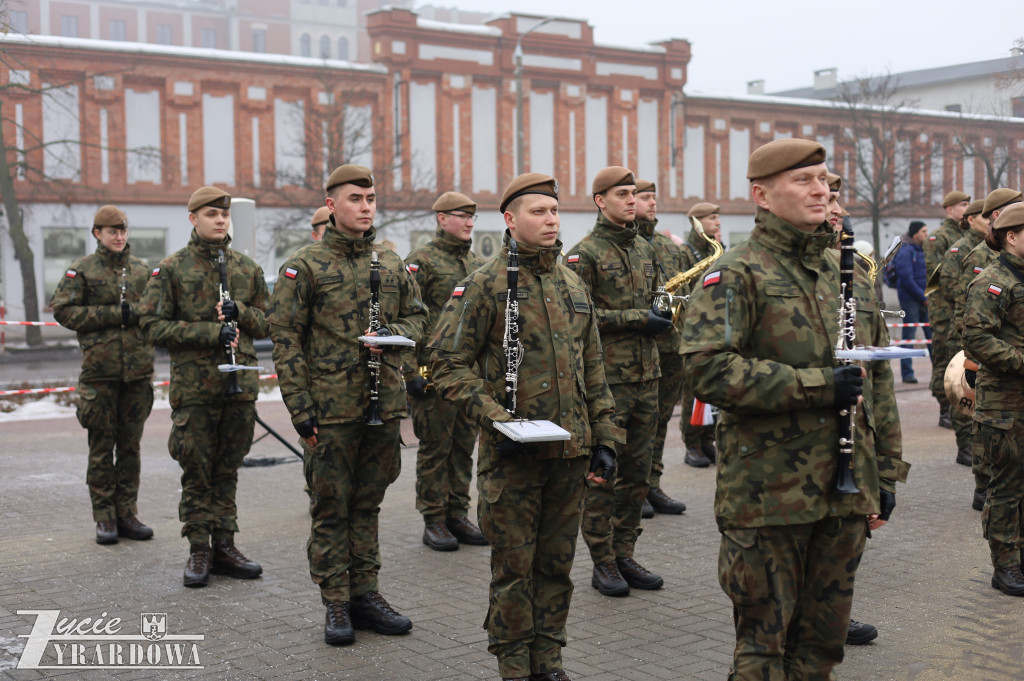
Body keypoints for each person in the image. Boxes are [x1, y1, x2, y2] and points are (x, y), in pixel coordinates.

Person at [681, 138, 908, 679]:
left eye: (825, 179)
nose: (821, 190)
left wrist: (887, 471)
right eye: (803, 180)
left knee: (822, 649)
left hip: (845, 490)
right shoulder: (736, 272)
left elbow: (871, 379)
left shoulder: (843, 269)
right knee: (763, 651)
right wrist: (816, 387)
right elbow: (708, 371)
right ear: (761, 194)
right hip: (769, 495)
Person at [429, 172, 624, 681]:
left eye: (555, 211)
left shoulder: (572, 282)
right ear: (511, 220)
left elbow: (594, 368)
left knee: (556, 570)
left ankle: (550, 663)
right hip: (513, 459)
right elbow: (447, 364)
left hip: (569, 454)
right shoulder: (484, 283)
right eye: (538, 212)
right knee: (514, 572)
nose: (550, 220)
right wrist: (497, 418)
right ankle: (515, 666)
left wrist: (605, 437)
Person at [268, 164, 426, 646]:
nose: (365, 207)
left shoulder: (391, 262)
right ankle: (336, 600)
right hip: (330, 410)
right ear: (332, 205)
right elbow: (286, 339)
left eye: (371, 199)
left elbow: (420, 319)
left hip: (381, 406)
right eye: (355, 199)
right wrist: (300, 409)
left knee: (368, 503)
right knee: (332, 506)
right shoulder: (306, 265)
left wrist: (393, 337)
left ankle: (366, 594)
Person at [139, 186, 269, 587]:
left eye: (224, 215)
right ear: (193, 218)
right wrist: (209, 332)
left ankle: (225, 545)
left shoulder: (246, 267)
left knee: (227, 468)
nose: (220, 221)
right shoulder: (172, 269)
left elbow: (270, 322)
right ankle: (199, 548)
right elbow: (151, 326)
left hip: (238, 383)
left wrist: (241, 313)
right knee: (197, 469)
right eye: (211, 214)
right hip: (196, 388)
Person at [566, 166, 671, 597]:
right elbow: (579, 317)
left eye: (634, 193)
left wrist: (664, 316)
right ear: (599, 201)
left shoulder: (644, 250)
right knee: (603, 474)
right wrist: (636, 319)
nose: (632, 200)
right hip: (608, 383)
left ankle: (625, 551)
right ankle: (602, 559)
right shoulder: (583, 254)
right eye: (622, 194)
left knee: (638, 474)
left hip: (648, 377)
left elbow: (659, 299)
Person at [50, 205, 155, 545]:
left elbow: (155, 310)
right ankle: (104, 517)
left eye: (122, 231)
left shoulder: (142, 271)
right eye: (112, 231)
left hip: (137, 373)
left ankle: (126, 513)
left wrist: (137, 314)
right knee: (100, 448)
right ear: (97, 233)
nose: (119, 237)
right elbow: (63, 310)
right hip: (100, 373)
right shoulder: (82, 270)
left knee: (130, 448)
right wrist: (115, 314)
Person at [404, 191, 486, 551]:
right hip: (432, 370)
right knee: (436, 448)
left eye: (472, 217)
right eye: (461, 216)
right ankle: (433, 518)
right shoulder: (420, 261)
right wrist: (409, 373)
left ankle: (457, 512)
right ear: (441, 219)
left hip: (466, 373)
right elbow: (405, 318)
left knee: (463, 445)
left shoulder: (476, 262)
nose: (469, 222)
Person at [961, 202, 1024, 598]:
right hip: (1004, 404)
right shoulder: (993, 282)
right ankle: (1006, 566)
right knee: (1006, 487)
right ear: (1012, 236)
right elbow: (977, 339)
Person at [635, 178, 687, 517]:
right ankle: (632, 488)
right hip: (638, 349)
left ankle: (652, 483)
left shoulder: (669, 247)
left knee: (661, 420)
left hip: (671, 346)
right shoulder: (630, 245)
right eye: (644, 197)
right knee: (636, 425)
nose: (652, 203)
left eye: (654, 197)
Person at [939, 198, 988, 485]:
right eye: (984, 216)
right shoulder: (962, 249)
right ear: (970, 219)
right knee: (962, 389)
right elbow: (948, 286)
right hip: (960, 328)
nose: (990, 221)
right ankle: (964, 445)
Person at [679, 201, 722, 467]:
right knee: (692, 392)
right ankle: (692, 443)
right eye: (712, 218)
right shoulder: (685, 253)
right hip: (694, 329)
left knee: (715, 388)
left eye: (718, 218)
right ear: (697, 222)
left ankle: (708, 440)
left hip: (717, 328)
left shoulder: (719, 250)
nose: (718, 222)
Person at [926, 191, 971, 428]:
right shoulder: (938, 237)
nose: (966, 208)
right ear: (949, 209)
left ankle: (958, 404)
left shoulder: (968, 235)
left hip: (962, 308)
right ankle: (944, 406)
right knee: (943, 357)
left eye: (967, 205)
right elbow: (936, 276)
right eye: (962, 205)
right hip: (943, 308)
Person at [893, 220, 932, 384]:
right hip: (911, 300)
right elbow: (907, 279)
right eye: (924, 231)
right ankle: (907, 373)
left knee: (931, 336)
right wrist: (923, 298)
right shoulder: (906, 251)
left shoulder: (922, 250)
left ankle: (940, 370)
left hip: (924, 299)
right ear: (915, 234)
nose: (926, 234)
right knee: (908, 337)